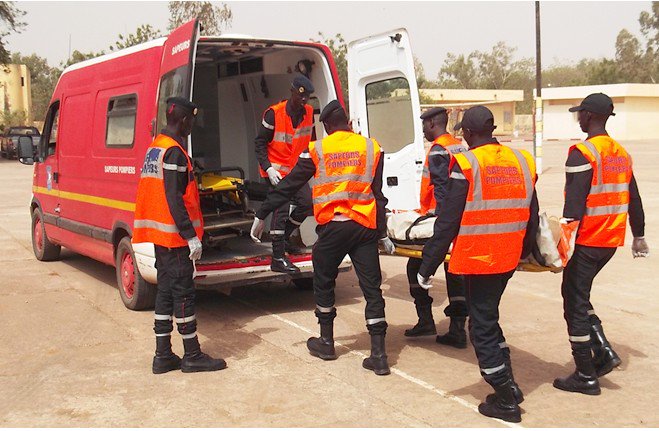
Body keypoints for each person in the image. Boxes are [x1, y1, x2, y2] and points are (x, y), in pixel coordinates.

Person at [250, 100, 396, 376]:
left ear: (327, 127)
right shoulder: (372, 147)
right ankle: (379, 355)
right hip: (364, 228)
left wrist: (262, 213)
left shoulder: (317, 149)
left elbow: (289, 185)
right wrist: (382, 232)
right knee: (372, 289)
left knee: (323, 280)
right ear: (349, 124)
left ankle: (327, 342)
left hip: (334, 228)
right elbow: (377, 194)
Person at [418, 105, 539, 423]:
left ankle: (504, 398)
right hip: (509, 256)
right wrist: (526, 251)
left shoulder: (468, 162)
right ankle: (509, 385)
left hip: (480, 257)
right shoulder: (522, 159)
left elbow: (448, 221)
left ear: (469, 133)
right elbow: (533, 210)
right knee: (489, 318)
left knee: (481, 327)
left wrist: (427, 265)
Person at [553, 93, 648, 395]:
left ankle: (585, 373)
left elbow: (574, 208)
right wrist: (639, 235)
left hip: (588, 240)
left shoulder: (583, 153)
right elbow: (634, 198)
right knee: (578, 295)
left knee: (574, 304)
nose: (577, 118)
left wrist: (561, 249)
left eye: (580, 113)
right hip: (610, 241)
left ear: (590, 116)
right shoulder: (620, 153)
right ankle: (604, 352)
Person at [133, 97, 226, 374]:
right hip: (175, 239)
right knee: (183, 295)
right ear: (184, 120)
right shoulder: (173, 152)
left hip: (161, 237)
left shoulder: (155, 148)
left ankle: (163, 355)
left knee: (165, 293)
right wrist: (191, 236)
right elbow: (174, 198)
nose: (192, 125)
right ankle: (192, 355)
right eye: (192, 120)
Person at [404, 107, 469, 349]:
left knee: (415, 266)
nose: (422, 130)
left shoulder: (439, 150)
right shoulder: (459, 145)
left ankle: (426, 320)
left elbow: (442, 192)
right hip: (461, 218)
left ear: (432, 123)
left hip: (441, 221)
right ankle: (457, 329)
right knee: (455, 273)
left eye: (424, 125)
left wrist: (442, 228)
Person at [254, 75, 316, 274]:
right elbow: (260, 143)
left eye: (307, 97)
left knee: (306, 203)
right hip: (275, 170)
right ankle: (278, 257)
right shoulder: (273, 114)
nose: (304, 100)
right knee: (280, 209)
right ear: (292, 92)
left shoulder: (308, 113)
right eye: (301, 96)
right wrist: (268, 167)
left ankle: (286, 237)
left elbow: (311, 142)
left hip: (296, 171)